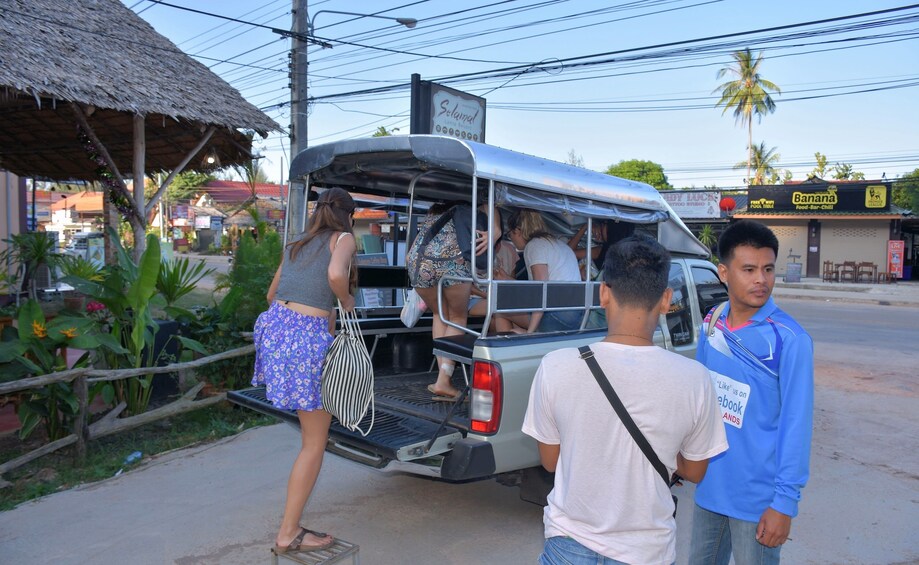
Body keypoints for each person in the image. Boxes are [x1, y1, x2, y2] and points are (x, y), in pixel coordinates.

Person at [523, 235, 728, 565]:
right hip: (647, 551)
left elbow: (550, 461)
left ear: (603, 293)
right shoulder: (695, 379)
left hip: (568, 544)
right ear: (666, 299)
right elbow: (694, 470)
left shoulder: (555, 366)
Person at [689, 220, 814, 565]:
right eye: (749, 269)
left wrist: (784, 503)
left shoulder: (790, 339)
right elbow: (701, 399)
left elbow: (796, 426)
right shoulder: (712, 321)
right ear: (724, 273)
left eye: (768, 268)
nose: (761, 279)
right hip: (710, 489)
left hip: (759, 501)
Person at [252, 187, 357, 554]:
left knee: (309, 433)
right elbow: (333, 275)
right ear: (349, 215)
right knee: (314, 444)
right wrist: (346, 300)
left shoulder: (297, 241)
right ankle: (288, 532)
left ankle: (290, 527)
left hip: (275, 329)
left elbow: (271, 294)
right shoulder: (343, 238)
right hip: (302, 338)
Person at [406, 202, 500, 400]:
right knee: (457, 317)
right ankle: (443, 381)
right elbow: (489, 203)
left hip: (417, 260)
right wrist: (496, 228)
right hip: (451, 259)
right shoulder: (469, 206)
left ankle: (443, 378)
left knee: (440, 313)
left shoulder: (435, 211)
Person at [497, 209, 581, 333]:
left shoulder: (534, 246)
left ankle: (511, 347)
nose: (511, 239)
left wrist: (531, 332)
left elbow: (541, 290)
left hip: (557, 316)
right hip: (576, 316)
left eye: (510, 234)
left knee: (499, 310)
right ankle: (520, 340)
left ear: (518, 231)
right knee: (516, 318)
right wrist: (508, 279)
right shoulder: (558, 244)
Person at [567, 219, 635, 279]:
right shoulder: (629, 254)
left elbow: (568, 252)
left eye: (604, 224)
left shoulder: (603, 251)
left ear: (611, 230)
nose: (601, 226)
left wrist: (585, 227)